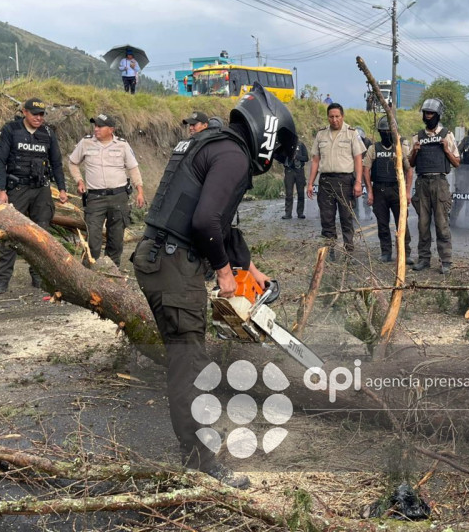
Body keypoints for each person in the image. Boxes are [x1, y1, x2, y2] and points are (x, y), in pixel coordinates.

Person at [132, 82, 297, 489]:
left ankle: (195, 454)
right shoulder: (233, 156)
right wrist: (225, 273)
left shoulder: (213, 144)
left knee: (184, 361)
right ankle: (200, 463)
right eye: (275, 152)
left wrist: (248, 267)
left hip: (158, 256)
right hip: (173, 263)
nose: (272, 160)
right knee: (191, 367)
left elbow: (216, 221)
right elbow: (204, 222)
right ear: (268, 133)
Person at [0, 98, 68, 294]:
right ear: (24, 112)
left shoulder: (48, 133)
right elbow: (0, 162)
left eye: (42, 114)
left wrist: (62, 188)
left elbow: (57, 163)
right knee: (11, 233)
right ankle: (2, 281)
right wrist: (2, 191)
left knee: (41, 234)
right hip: (17, 189)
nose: (38, 118)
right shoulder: (11, 130)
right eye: (35, 114)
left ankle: (38, 277)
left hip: (41, 190)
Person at [68, 114, 145, 267]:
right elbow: (72, 162)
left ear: (111, 129)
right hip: (95, 198)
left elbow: (133, 168)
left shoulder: (122, 145)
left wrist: (140, 191)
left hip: (119, 197)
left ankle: (111, 272)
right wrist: (79, 180)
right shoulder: (86, 142)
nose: (96, 129)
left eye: (100, 126)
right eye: (95, 126)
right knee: (93, 240)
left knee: (116, 240)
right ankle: (89, 273)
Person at [306, 103, 366, 259]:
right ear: (328, 117)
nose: (334, 120)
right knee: (327, 218)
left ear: (342, 116)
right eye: (331, 117)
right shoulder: (321, 134)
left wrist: (358, 182)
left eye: (337, 116)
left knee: (346, 217)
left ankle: (349, 252)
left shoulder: (351, 133)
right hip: (326, 181)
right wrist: (310, 183)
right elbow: (315, 161)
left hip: (345, 181)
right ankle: (330, 252)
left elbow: (358, 159)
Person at [408, 98, 460, 274]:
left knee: (441, 223)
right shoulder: (417, 136)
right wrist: (414, 151)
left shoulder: (447, 135)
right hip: (422, 182)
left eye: (431, 114)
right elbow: (410, 163)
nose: (427, 116)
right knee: (423, 224)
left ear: (438, 115)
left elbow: (457, 162)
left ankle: (446, 260)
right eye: (425, 113)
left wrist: (446, 149)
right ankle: (423, 259)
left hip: (440, 182)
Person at [363, 116, 413, 264]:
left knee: (401, 223)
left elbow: (409, 170)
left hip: (397, 190)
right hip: (379, 190)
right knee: (382, 223)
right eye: (383, 131)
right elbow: (366, 170)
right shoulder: (373, 148)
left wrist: (408, 192)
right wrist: (370, 192)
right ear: (379, 132)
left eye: (388, 131)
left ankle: (405, 253)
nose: (386, 134)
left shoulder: (400, 148)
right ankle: (386, 252)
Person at [282, 139, 309, 219]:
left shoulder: (301, 145)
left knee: (300, 193)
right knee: (289, 193)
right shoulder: (285, 146)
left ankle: (300, 213)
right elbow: (280, 158)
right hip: (289, 171)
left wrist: (296, 157)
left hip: (299, 171)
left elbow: (306, 158)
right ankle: (288, 213)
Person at [354, 127, 373, 221]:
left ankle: (368, 213)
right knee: (354, 195)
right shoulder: (351, 143)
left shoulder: (368, 143)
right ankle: (355, 213)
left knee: (366, 194)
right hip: (354, 173)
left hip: (365, 173)